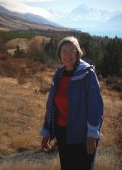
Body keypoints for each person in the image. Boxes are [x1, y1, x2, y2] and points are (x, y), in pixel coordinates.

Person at [40, 36, 103, 170]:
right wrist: (46, 132)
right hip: (62, 132)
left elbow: (95, 107)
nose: (68, 55)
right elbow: (51, 105)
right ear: (59, 54)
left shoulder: (87, 74)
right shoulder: (58, 75)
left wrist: (92, 135)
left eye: (72, 51)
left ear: (78, 53)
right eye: (64, 51)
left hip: (82, 135)